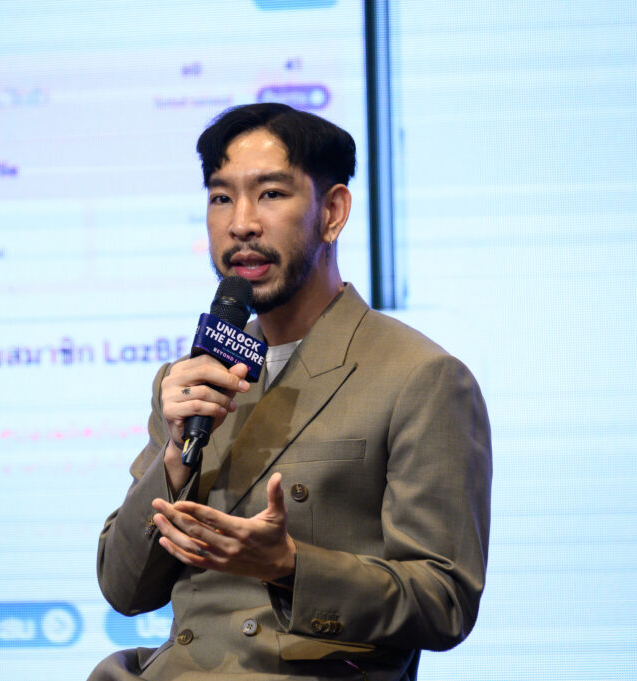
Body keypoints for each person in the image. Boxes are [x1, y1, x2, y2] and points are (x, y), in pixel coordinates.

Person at [89, 103, 492, 680]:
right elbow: (123, 588)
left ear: (332, 212)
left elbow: (444, 602)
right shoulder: (194, 378)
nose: (241, 224)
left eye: (271, 194)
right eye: (221, 197)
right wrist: (175, 457)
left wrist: (290, 565)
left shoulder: (421, 377)